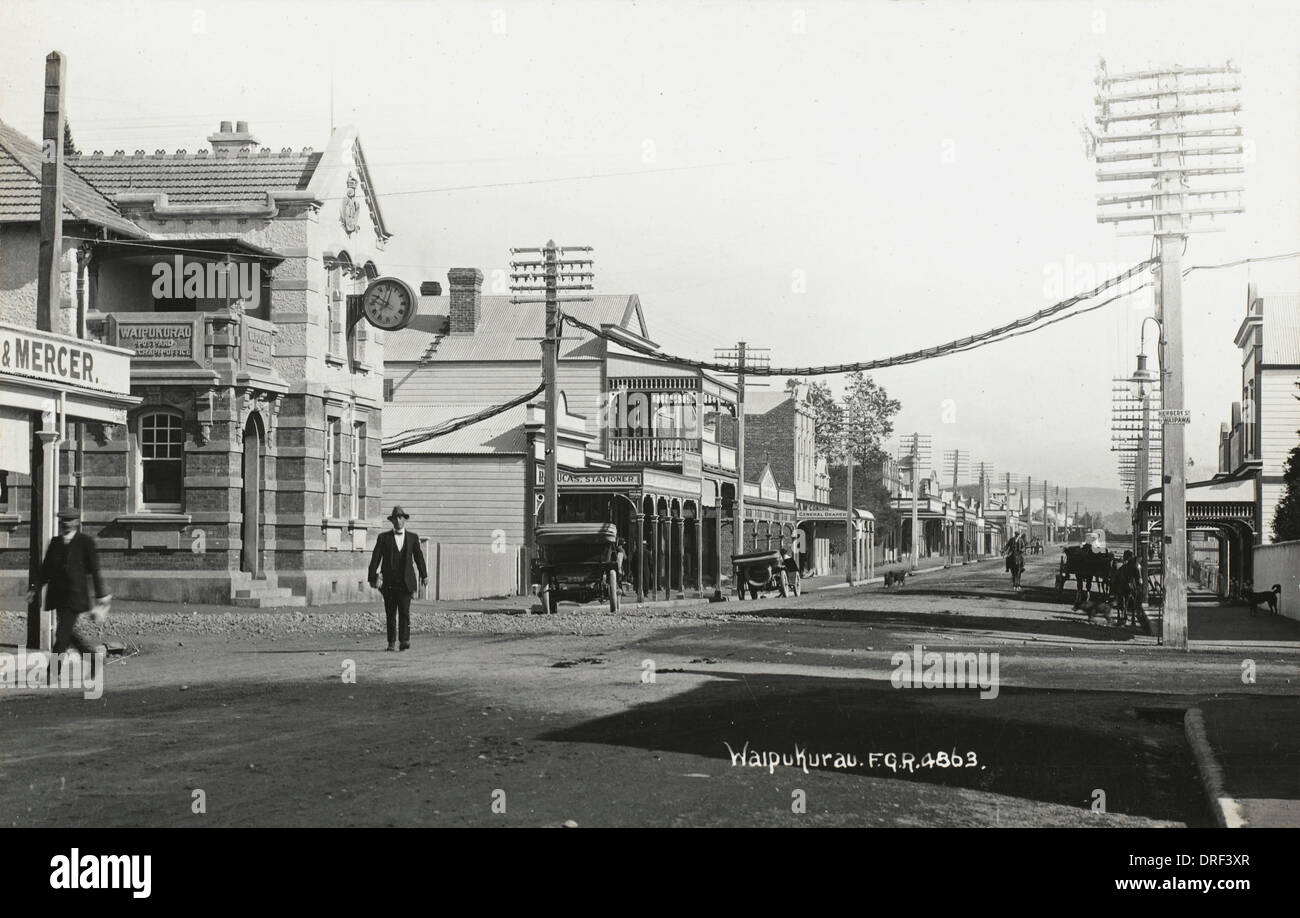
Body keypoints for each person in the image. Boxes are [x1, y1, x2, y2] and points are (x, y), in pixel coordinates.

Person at [27, 507, 110, 671]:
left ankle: (52, 672)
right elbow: (45, 570)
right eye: (63, 520)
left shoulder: (85, 542)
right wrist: (34, 589)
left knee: (62, 634)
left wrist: (101, 596)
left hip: (76, 596)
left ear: (77, 522)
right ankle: (93, 658)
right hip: (58, 596)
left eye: (70, 520)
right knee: (66, 633)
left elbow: (95, 570)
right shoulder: (55, 543)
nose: (66, 524)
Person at [368, 506, 428, 651]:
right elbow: (375, 558)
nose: (398, 521)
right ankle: (391, 642)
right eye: (395, 518)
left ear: (404, 520)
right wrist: (372, 577)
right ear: (392, 521)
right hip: (389, 583)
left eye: (400, 518)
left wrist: (424, 575)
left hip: (406, 582)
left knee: (404, 612)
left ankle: (404, 640)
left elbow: (419, 558)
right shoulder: (384, 538)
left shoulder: (413, 538)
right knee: (390, 614)